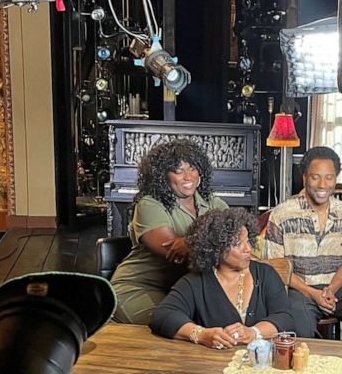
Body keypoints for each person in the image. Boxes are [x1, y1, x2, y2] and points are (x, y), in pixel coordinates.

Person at [111, 138, 228, 325]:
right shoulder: (149, 204)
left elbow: (237, 237)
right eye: (178, 170)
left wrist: (191, 241)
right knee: (174, 325)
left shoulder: (213, 203)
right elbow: (175, 252)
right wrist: (207, 241)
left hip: (185, 290)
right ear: (163, 175)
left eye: (192, 168)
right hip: (141, 287)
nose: (188, 177)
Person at [150, 208, 292, 349]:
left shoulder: (266, 274)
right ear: (216, 248)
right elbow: (162, 316)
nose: (248, 248)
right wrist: (201, 334)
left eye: (248, 240)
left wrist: (254, 332)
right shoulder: (196, 282)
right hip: (212, 365)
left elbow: (285, 317)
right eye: (237, 244)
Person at [264, 146, 342, 337]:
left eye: (329, 177)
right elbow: (274, 266)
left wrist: (331, 289)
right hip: (298, 289)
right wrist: (312, 293)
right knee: (301, 327)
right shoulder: (282, 213)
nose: (323, 185)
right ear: (305, 177)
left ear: (336, 177)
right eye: (315, 177)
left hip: (337, 287)